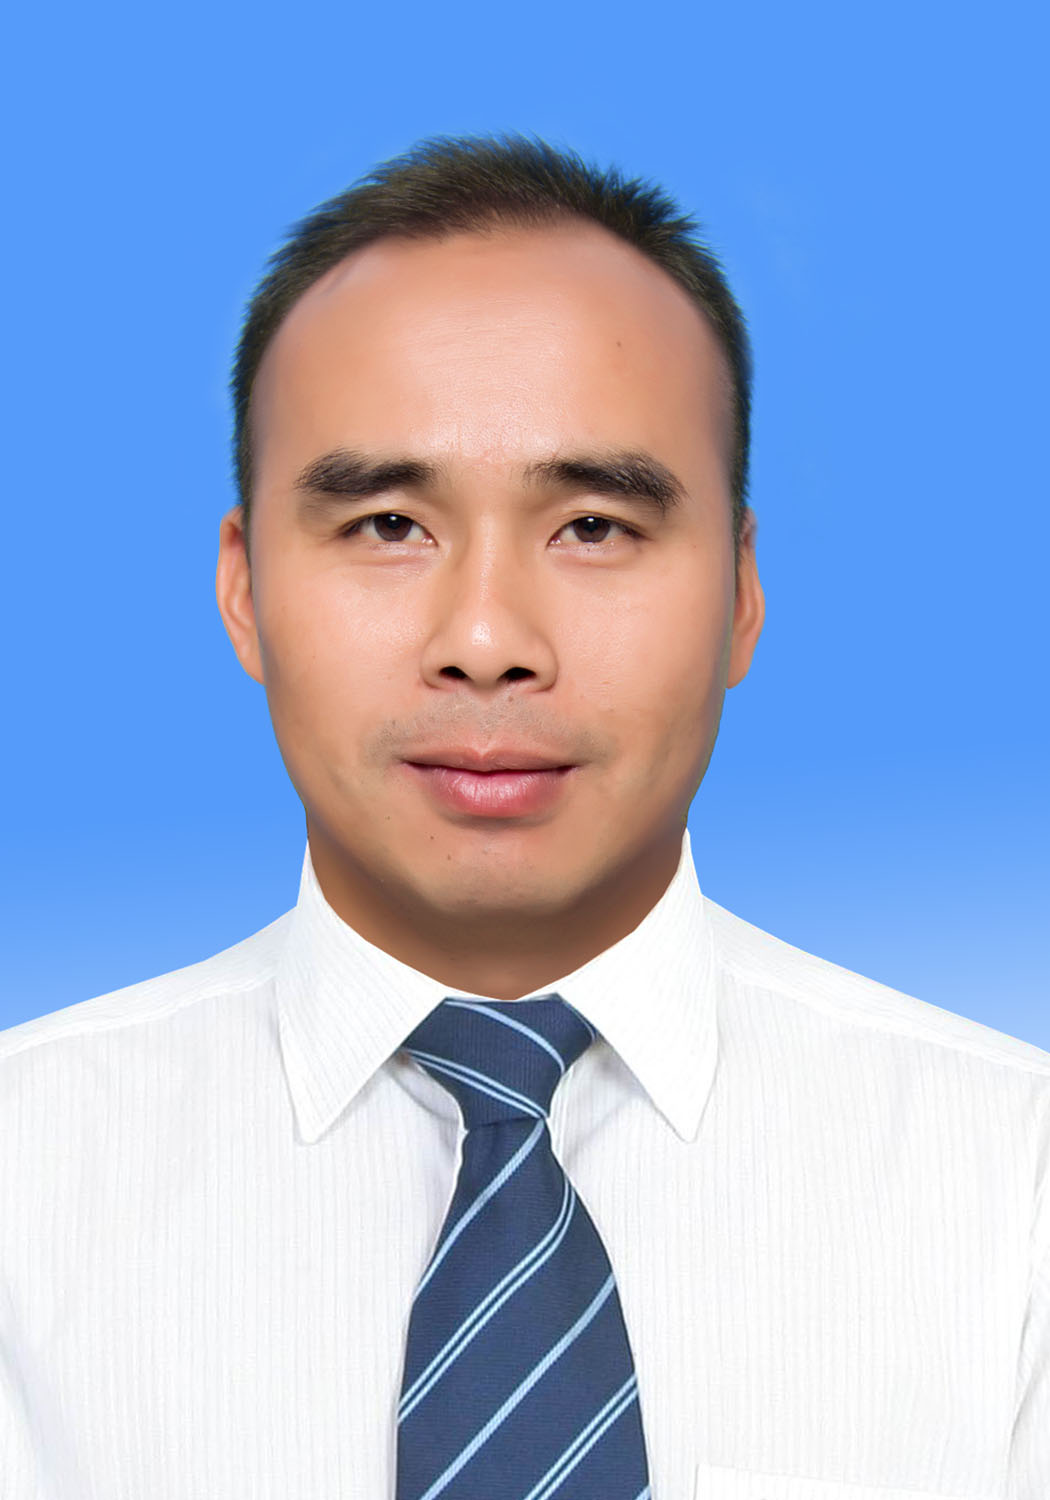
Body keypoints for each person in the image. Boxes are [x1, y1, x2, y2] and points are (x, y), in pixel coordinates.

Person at [1, 132, 1046, 1500]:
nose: (487, 641)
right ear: (244, 590)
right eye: (387, 524)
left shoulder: (1016, 1189)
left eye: (594, 526)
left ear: (739, 592)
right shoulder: (21, 1182)